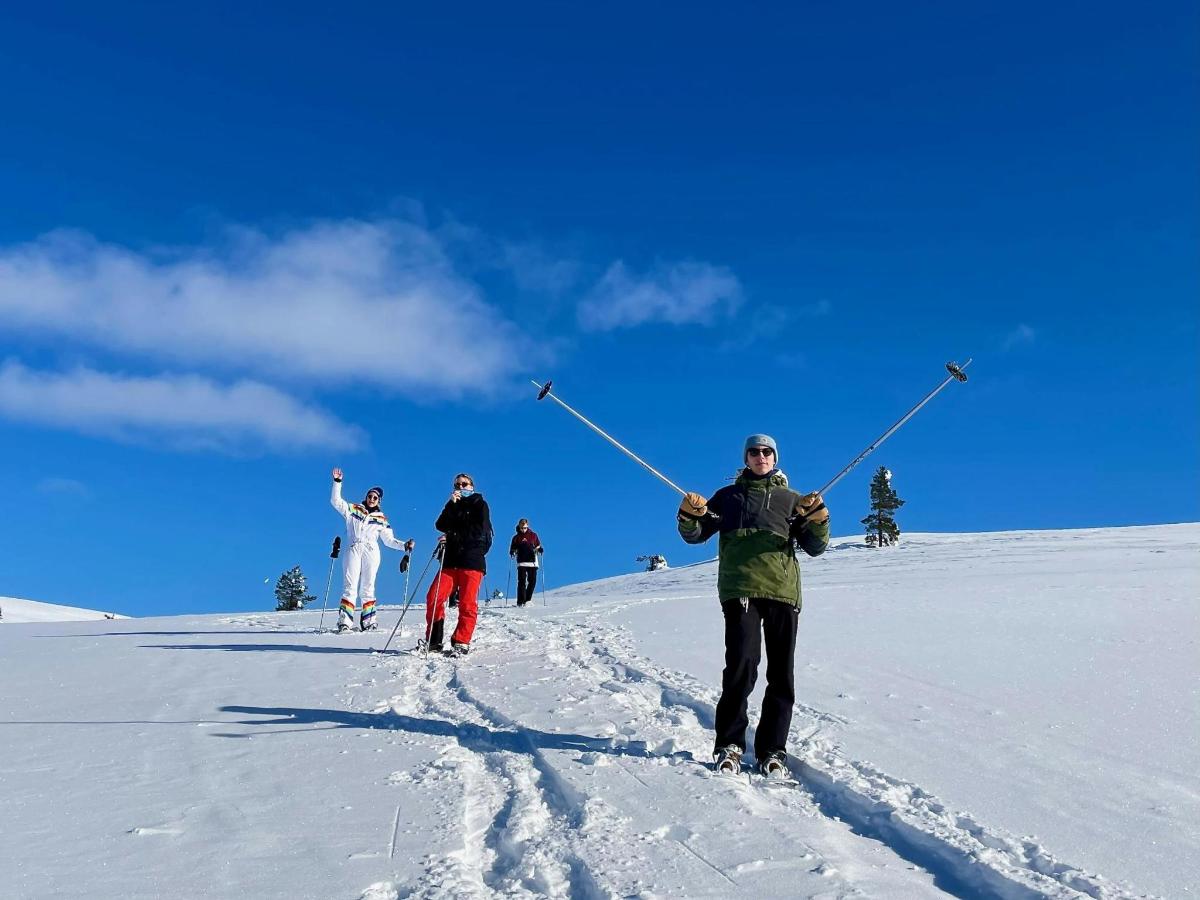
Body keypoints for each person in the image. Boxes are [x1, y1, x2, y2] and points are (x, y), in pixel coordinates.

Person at [675, 434, 830, 778]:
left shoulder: (793, 501)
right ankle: (729, 745)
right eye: (754, 451)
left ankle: (772, 750)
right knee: (742, 665)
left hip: (783, 592)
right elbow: (696, 534)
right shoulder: (728, 498)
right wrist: (688, 515)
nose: (760, 456)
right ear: (745, 458)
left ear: (775, 458)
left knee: (781, 674)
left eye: (766, 451)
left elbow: (815, 547)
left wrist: (818, 520)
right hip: (740, 587)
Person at [329, 468, 412, 633]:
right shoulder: (353, 509)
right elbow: (336, 501)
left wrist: (404, 545)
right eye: (370, 496)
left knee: (368, 586)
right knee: (350, 585)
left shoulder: (381, 518)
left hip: (371, 550)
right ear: (366, 497)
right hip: (353, 547)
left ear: (379, 500)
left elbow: (389, 540)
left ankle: (369, 622)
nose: (372, 499)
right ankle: (345, 621)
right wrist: (337, 482)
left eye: (375, 498)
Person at [425, 473, 492, 655]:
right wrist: (450, 505)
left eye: (464, 484)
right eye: (457, 484)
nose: (461, 487)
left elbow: (479, 530)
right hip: (450, 560)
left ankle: (461, 640)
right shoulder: (454, 505)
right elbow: (440, 524)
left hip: (472, 561)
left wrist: (453, 536)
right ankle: (433, 640)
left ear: (471, 486)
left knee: (467, 603)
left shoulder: (480, 504)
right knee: (434, 597)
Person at [508, 519, 544, 606]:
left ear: (527, 526)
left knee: (532, 581)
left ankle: (527, 600)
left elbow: (538, 545)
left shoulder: (533, 535)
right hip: (521, 562)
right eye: (522, 528)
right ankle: (520, 601)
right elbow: (512, 548)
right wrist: (512, 551)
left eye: (525, 527)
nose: (523, 529)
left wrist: (540, 549)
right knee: (522, 581)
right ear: (519, 527)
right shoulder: (516, 538)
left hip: (532, 562)